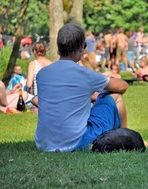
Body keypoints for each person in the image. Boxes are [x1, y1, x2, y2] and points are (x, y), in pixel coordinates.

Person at [34, 23, 129, 152]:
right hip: (76, 142)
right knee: (115, 96)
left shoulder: (42, 74)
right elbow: (123, 86)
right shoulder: (85, 74)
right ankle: (126, 138)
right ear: (80, 47)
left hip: (44, 143)